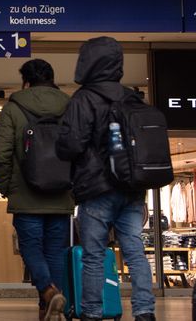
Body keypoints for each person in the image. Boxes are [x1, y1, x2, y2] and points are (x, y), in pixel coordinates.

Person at [56, 37, 155, 321]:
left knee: (93, 255)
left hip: (96, 187)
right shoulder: (131, 96)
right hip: (132, 187)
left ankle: (92, 312)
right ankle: (145, 310)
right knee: (135, 251)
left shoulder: (84, 98)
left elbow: (71, 145)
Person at [0, 59, 73, 321]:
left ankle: (49, 293)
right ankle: (47, 309)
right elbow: (80, 146)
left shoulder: (14, 107)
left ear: (25, 81)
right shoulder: (69, 105)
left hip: (26, 195)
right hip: (61, 192)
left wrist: (6, 186)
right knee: (55, 250)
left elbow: (1, 152)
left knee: (30, 248)